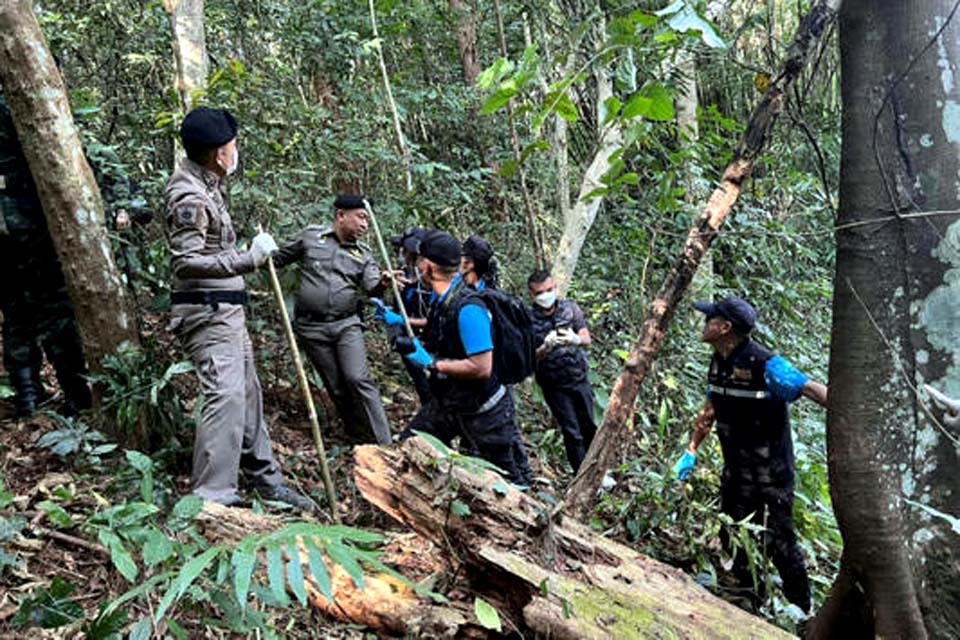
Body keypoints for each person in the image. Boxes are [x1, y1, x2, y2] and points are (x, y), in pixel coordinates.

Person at [164, 106, 313, 510]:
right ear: (218, 153)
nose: (236, 150)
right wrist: (247, 259)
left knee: (246, 395)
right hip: (208, 313)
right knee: (226, 397)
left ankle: (266, 481)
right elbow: (186, 261)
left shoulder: (209, 183)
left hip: (227, 311)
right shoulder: (188, 195)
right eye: (232, 145)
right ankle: (213, 499)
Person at [672, 295, 828, 613]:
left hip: (771, 475)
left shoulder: (766, 364)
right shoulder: (718, 361)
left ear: (725, 327)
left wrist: (855, 410)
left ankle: (803, 612)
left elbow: (810, 389)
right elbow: (710, 409)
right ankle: (748, 601)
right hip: (736, 472)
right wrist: (691, 450)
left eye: (710, 319)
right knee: (732, 533)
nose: (705, 324)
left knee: (781, 544)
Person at [399, 231, 532, 486]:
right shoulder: (443, 299)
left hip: (486, 412)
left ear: (427, 266)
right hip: (451, 403)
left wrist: (433, 363)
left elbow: (481, 367)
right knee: (410, 447)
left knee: (508, 484)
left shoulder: (469, 308)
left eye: (419, 261)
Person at [0, 89, 103, 417]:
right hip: (29, 222)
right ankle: (75, 393)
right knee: (54, 310)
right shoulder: (14, 104)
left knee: (15, 311)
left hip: (13, 226)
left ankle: (29, 396)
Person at [273, 195, 394, 445]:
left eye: (367, 220)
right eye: (361, 217)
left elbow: (372, 286)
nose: (365, 224)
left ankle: (386, 443)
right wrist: (258, 251)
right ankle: (358, 436)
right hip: (311, 327)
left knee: (357, 378)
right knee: (336, 386)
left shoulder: (364, 254)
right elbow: (276, 259)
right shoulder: (310, 237)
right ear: (341, 215)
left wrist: (383, 283)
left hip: (346, 324)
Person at [527, 269, 596, 472]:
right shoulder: (528, 320)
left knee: (589, 426)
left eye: (549, 289)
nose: (546, 295)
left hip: (578, 377)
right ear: (532, 295)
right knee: (571, 431)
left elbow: (586, 338)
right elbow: (528, 358)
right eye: (540, 292)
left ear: (555, 287)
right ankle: (581, 474)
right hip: (553, 384)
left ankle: (598, 472)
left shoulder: (570, 309)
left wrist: (575, 339)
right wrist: (545, 347)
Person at [375, 227, 432, 404]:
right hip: (407, 341)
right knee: (422, 387)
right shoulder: (403, 274)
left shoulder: (432, 282)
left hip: (428, 344)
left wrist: (400, 320)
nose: (400, 253)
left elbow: (437, 320)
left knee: (434, 387)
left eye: (404, 250)